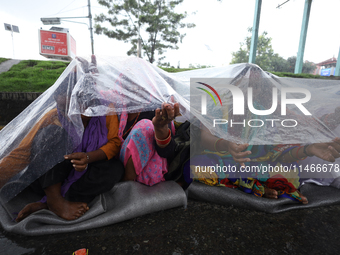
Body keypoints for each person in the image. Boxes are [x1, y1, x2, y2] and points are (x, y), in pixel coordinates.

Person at [0, 62, 124, 222]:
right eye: (62, 108)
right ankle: (55, 200)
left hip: (84, 173)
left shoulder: (106, 110)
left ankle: (47, 204)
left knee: (114, 168)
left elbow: (114, 143)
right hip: (51, 178)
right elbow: (21, 153)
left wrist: (87, 158)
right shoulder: (52, 117)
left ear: (87, 102)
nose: (67, 114)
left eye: (72, 108)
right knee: (52, 133)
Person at [191, 123, 340, 204]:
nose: (250, 90)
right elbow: (205, 137)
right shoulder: (218, 107)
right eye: (246, 84)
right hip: (222, 161)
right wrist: (227, 145)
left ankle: (249, 185)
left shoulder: (265, 114)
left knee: (290, 170)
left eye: (257, 86)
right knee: (197, 166)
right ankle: (256, 186)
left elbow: (277, 150)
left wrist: (308, 149)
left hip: (258, 165)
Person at [119, 101, 180, 186]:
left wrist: (160, 129)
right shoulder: (114, 104)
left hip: (148, 172)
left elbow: (168, 152)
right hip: (116, 164)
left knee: (146, 127)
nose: (135, 88)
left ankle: (126, 184)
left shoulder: (157, 109)